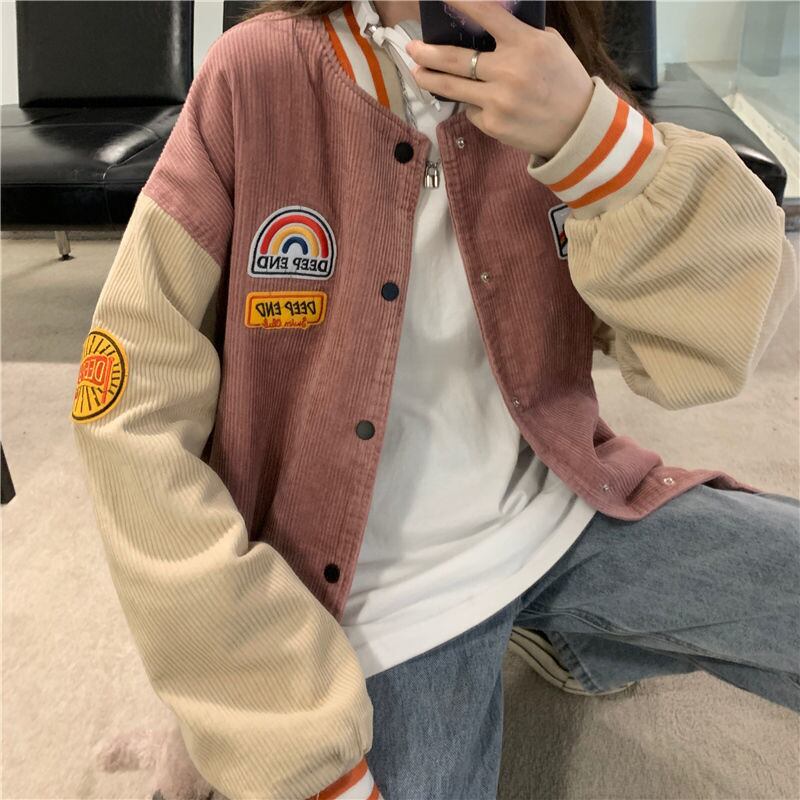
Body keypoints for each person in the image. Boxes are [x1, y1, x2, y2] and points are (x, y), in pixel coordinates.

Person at [70, 1, 799, 798]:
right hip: (373, 594)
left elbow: (710, 346)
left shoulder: (558, 67)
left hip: (567, 511)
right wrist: (266, 705)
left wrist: (592, 137)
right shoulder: (256, 72)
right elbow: (130, 410)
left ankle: (561, 635)